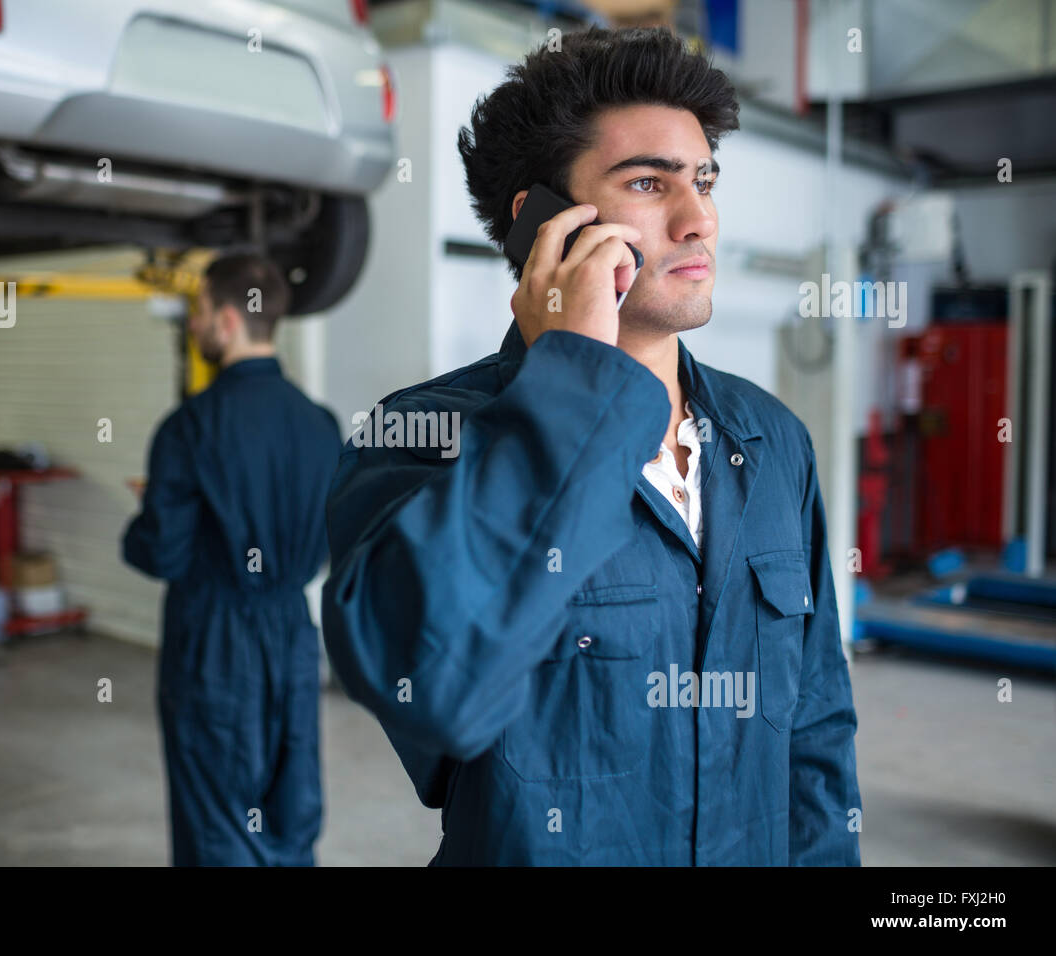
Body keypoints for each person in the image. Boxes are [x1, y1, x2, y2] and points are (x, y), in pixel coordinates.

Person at [321, 27, 861, 865]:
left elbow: (818, 728)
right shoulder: (421, 437)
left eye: (704, 180)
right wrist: (570, 387)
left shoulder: (772, 440)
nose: (699, 219)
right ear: (543, 221)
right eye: (649, 182)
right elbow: (437, 692)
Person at [123, 253, 342, 866]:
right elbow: (327, 538)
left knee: (217, 818)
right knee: (291, 810)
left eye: (196, 311)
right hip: (293, 635)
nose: (191, 325)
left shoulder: (189, 428)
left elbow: (162, 552)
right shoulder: (321, 426)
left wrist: (148, 519)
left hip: (213, 641)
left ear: (225, 319)